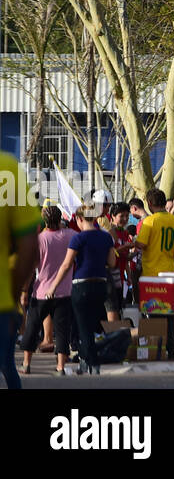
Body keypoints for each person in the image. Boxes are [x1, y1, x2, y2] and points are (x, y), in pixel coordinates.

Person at [49, 206, 118, 375]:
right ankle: (84, 361)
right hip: (101, 284)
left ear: (79, 219)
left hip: (82, 284)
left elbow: (66, 265)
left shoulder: (78, 239)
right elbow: (112, 263)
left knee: (82, 326)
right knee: (92, 325)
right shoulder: (106, 237)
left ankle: (92, 362)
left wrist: (53, 287)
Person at [19, 206, 76, 377]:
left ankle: (26, 363)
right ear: (60, 219)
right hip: (64, 291)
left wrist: (24, 291)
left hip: (42, 291)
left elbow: (30, 269)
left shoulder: (39, 240)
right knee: (62, 330)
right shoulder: (71, 236)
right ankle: (60, 366)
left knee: (32, 327)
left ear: (44, 221)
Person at [2, 156, 40, 389]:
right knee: (7, 364)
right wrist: (14, 295)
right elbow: (30, 248)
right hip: (3, 306)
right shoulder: (8, 169)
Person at [106, 202, 133, 320]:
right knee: (112, 309)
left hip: (121, 277)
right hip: (110, 276)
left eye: (127, 216)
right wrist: (125, 247)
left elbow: (125, 257)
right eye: (121, 216)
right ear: (112, 216)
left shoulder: (125, 233)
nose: (125, 219)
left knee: (119, 308)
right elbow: (110, 253)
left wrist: (129, 275)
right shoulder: (109, 232)